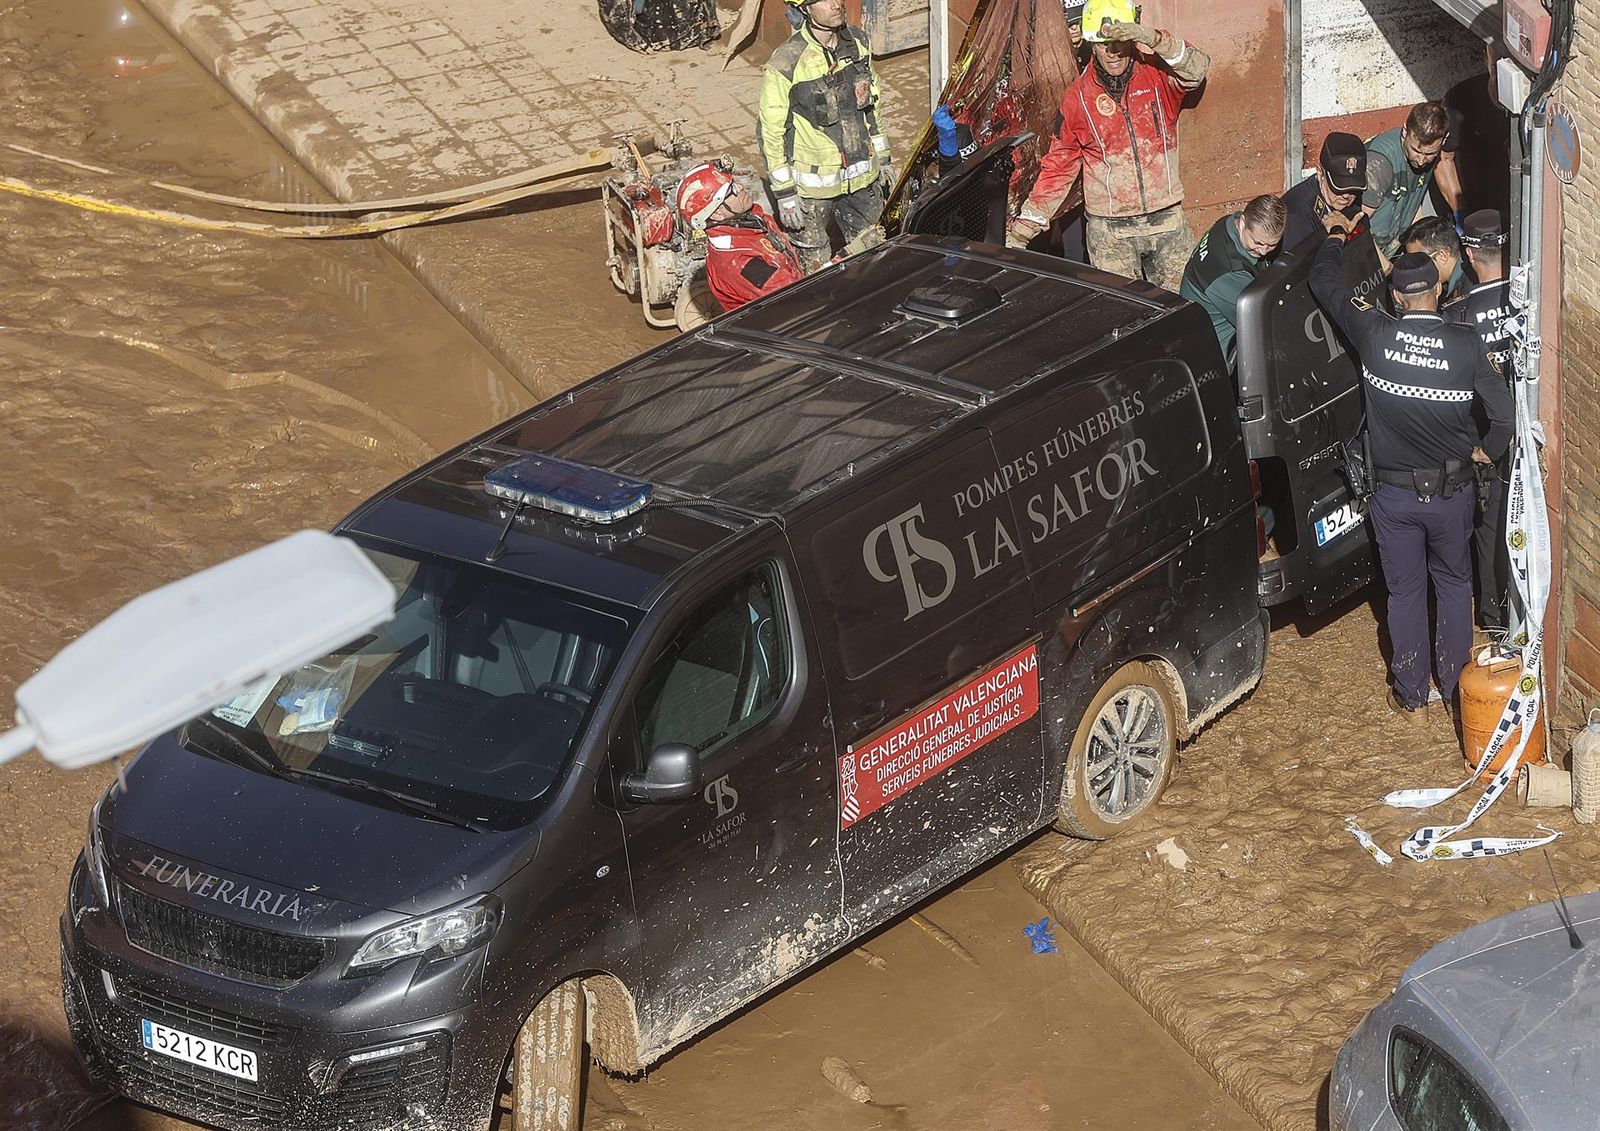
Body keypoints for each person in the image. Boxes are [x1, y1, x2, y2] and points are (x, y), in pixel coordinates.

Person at [1308, 218, 1513, 720]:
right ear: (1438, 290)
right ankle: (1454, 690)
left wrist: (1334, 237)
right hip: (1452, 494)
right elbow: (1505, 416)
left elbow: (1323, 282)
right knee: (1455, 584)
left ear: (1397, 298)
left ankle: (1411, 694)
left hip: (1393, 497)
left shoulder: (1374, 332)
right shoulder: (1466, 344)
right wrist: (1487, 451)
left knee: (1403, 592)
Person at [1006, 0, 1209, 290]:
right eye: (1103, 45)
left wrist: (1153, 38)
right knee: (1121, 310)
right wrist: (1024, 229)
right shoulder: (1077, 98)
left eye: (1119, 42)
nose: (1112, 52)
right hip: (1110, 231)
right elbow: (1059, 166)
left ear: (1131, 39)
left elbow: (1198, 70)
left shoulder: (1157, 76)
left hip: (1167, 221)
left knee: (1183, 304)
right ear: (1091, 44)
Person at [758, 0, 891, 273]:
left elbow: (873, 106)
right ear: (805, 9)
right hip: (812, 192)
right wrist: (784, 193)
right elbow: (770, 131)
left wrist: (884, 158)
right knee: (815, 271)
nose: (836, 4)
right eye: (823, 0)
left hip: (863, 179)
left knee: (876, 257)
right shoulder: (787, 62)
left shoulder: (858, 43)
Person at [1445, 209, 1514, 630]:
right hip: (1531, 432)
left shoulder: (1460, 315)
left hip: (1488, 441)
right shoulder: (1529, 297)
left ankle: (1494, 617)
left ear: (1470, 255)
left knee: (1491, 531)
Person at [675, 162, 805, 314]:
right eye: (731, 191)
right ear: (716, 214)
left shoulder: (745, 223)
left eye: (733, 182)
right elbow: (795, 296)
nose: (741, 187)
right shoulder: (742, 262)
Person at [1178, 194, 1286, 359]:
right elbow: (1260, 323)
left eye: (1272, 244)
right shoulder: (1229, 270)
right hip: (1214, 352)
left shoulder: (1229, 223)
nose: (1263, 251)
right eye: (1258, 242)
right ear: (1243, 223)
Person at [1365, 102, 1455, 258]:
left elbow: (1412, 202)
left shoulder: (1431, 155)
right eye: (1415, 150)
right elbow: (1358, 226)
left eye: (1429, 154)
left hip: (1391, 247)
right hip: (1365, 253)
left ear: (1444, 139)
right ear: (1405, 130)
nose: (1420, 161)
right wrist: (1385, 266)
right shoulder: (1379, 163)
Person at [1281, 132, 1366, 250]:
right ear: (1320, 173)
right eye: (1338, 187)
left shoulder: (1352, 195)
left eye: (1352, 187)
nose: (1346, 195)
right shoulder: (1298, 216)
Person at [1400, 215, 1466, 301]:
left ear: (1442, 256)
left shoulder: (1466, 293)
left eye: (1418, 262)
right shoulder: (1467, 275)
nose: (1416, 270)